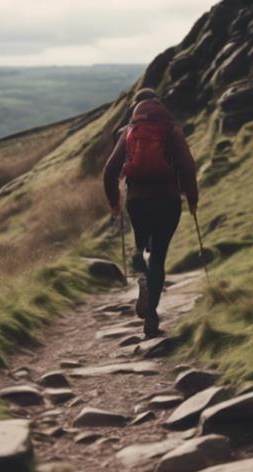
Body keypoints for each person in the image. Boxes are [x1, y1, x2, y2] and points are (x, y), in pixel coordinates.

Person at [102, 88, 198, 336]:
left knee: (142, 246)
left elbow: (109, 171)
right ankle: (151, 316)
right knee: (158, 256)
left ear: (135, 108)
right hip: (168, 200)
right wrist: (192, 199)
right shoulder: (170, 129)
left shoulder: (128, 132)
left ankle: (139, 268)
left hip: (138, 202)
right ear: (158, 104)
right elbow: (187, 167)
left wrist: (115, 202)